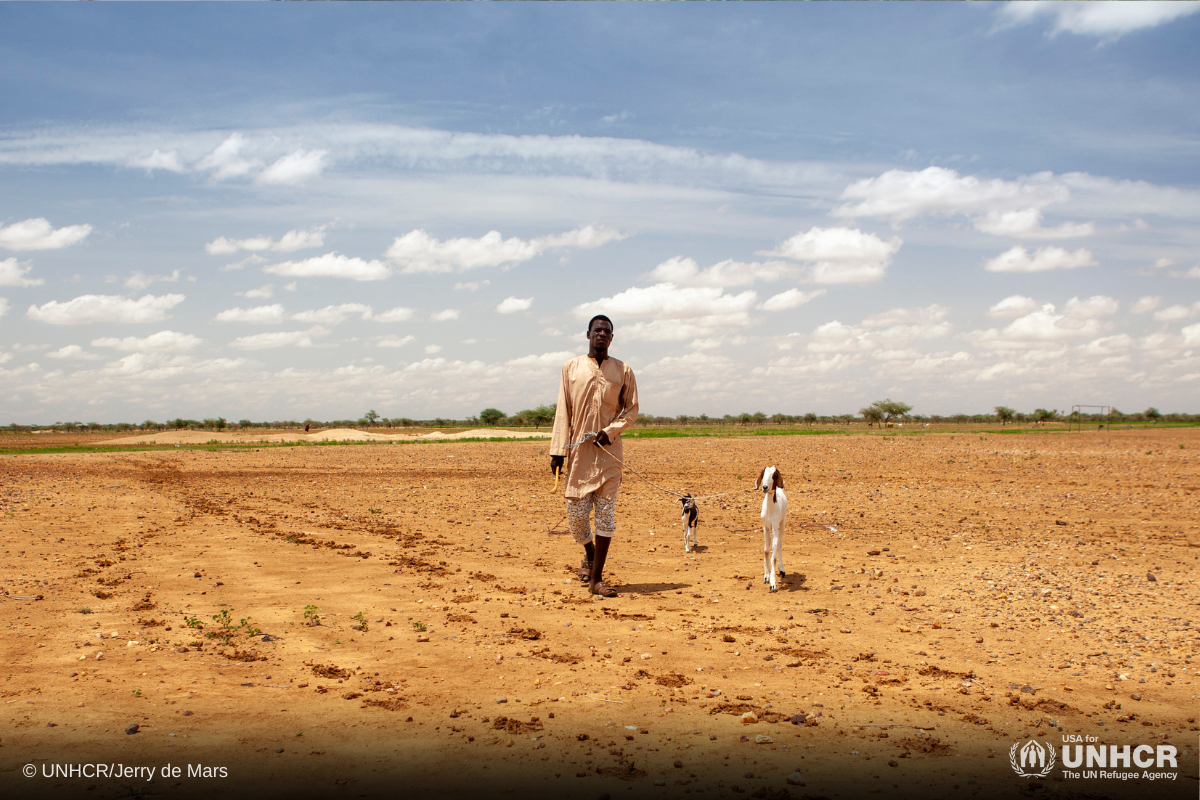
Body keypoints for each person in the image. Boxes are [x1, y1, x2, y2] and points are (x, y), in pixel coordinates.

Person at [549, 315, 638, 598]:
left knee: (605, 516)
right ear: (588, 334)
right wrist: (557, 450)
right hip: (578, 452)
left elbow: (631, 410)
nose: (602, 334)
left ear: (612, 338)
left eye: (607, 331)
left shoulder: (624, 371)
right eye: (597, 330)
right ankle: (588, 551)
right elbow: (562, 409)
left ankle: (596, 578)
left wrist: (610, 431)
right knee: (576, 516)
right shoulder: (570, 368)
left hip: (609, 453)